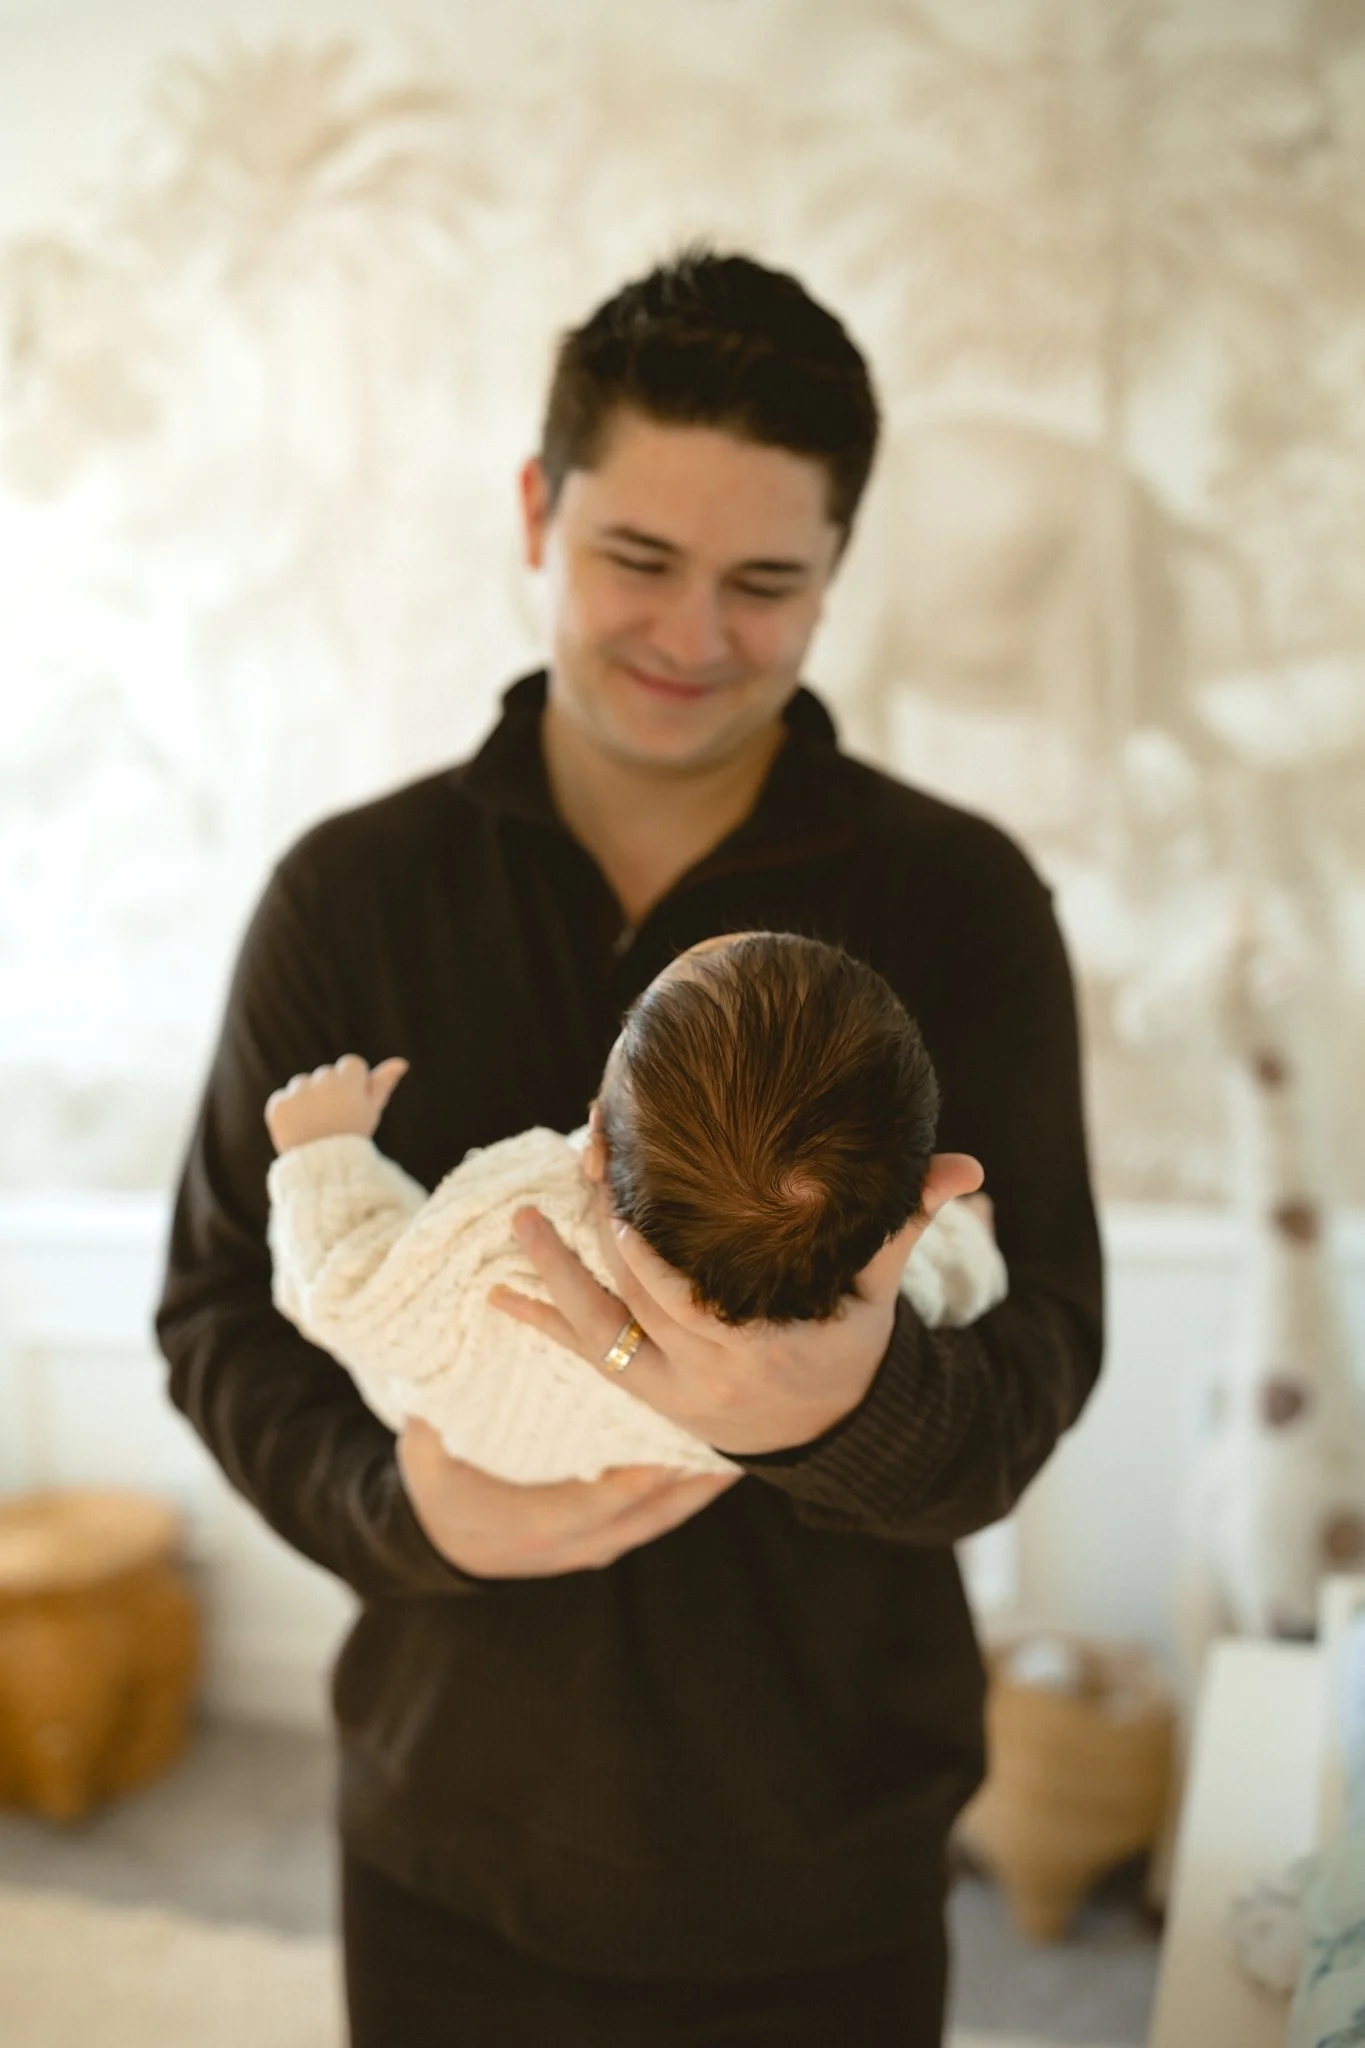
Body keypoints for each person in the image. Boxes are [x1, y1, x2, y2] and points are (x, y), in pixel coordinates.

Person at [157, 246, 1104, 2047]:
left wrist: (836, 1403)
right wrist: (409, 1504)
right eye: (638, 561)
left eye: (766, 581)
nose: (693, 637)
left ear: (837, 573)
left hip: (823, 1873)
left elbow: (1040, 1361)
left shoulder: (962, 903)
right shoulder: (347, 897)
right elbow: (216, 1315)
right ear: (537, 507)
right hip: (447, 1853)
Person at [262, 933, 1010, 1484]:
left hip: (474, 1435)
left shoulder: (518, 1218)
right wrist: (971, 1238)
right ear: (910, 1197)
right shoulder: (867, 1288)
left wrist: (323, 1152)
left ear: (593, 1139)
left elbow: (344, 1289)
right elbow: (964, 1281)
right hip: (672, 1469)